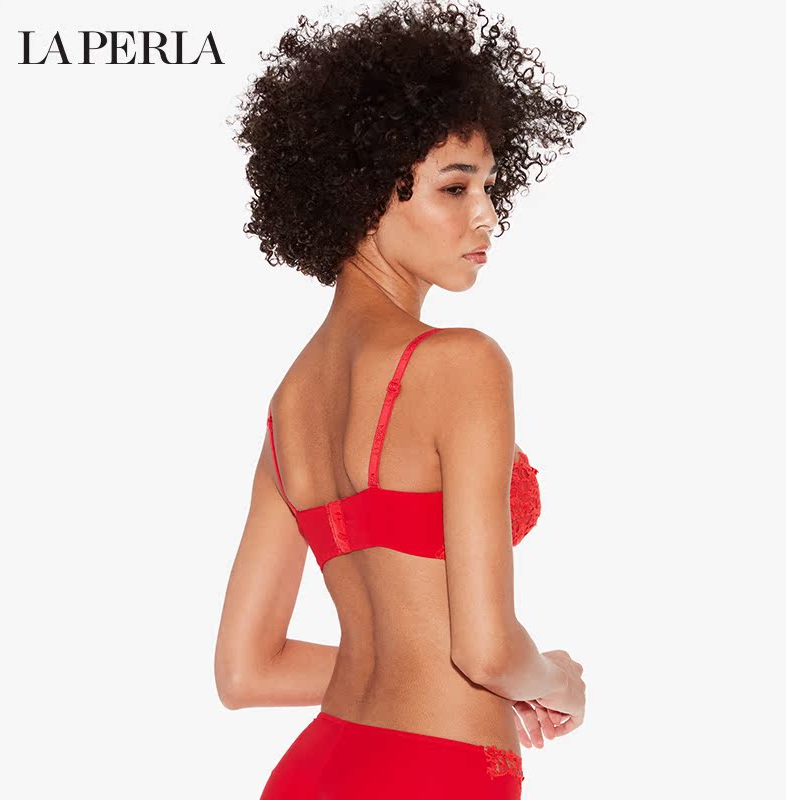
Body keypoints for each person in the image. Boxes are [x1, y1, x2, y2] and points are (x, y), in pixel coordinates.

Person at [215, 0, 587, 796]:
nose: (487, 215)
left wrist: (399, 670)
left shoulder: (289, 406)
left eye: (489, 186)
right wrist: (556, 681)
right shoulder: (463, 364)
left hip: (316, 770)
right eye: (454, 187)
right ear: (363, 194)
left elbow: (247, 670)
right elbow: (485, 651)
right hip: (437, 774)